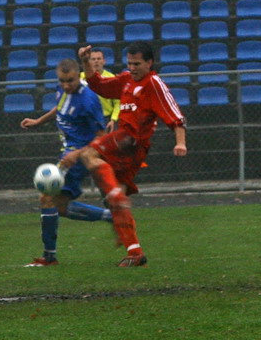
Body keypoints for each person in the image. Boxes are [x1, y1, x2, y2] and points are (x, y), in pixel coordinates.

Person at [65, 41, 187, 267]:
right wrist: (85, 61)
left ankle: (114, 194)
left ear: (150, 63)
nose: (132, 68)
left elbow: (175, 115)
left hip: (132, 140)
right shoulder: (126, 80)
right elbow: (98, 85)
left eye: (137, 64)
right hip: (126, 145)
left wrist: (181, 143)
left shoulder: (154, 84)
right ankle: (135, 253)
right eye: (130, 63)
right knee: (117, 203)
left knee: (89, 153)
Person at [19, 59, 113, 267]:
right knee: (59, 206)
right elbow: (60, 109)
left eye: (70, 81)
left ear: (78, 75)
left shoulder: (89, 100)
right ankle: (111, 216)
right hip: (68, 152)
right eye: (62, 81)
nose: (66, 85)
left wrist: (76, 154)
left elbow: (101, 138)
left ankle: (49, 257)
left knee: (47, 199)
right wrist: (38, 121)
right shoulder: (61, 89)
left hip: (78, 157)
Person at [80, 49, 120, 133]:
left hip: (105, 119)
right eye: (93, 59)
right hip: (86, 119)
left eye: (99, 59)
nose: (96, 61)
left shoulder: (112, 78)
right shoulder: (80, 78)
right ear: (88, 61)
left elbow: (118, 103)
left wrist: (113, 119)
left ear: (104, 61)